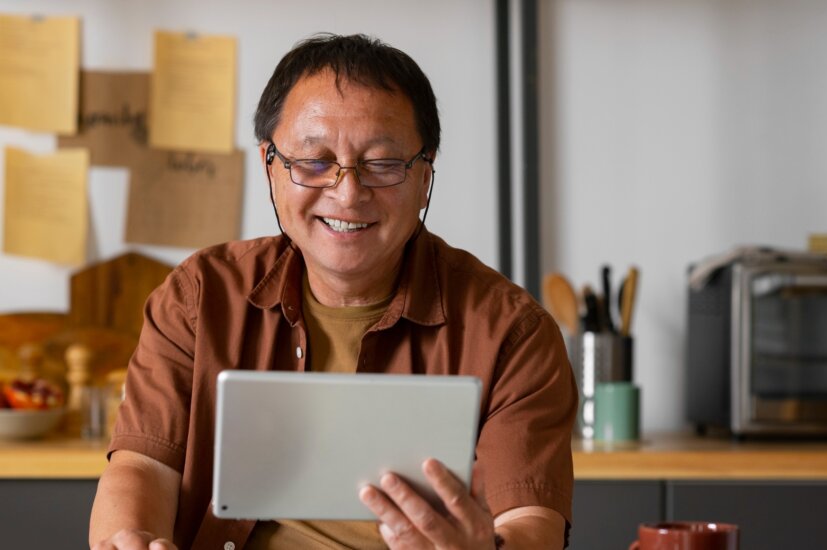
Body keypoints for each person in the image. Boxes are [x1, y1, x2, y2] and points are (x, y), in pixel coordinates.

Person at [89, 33, 576, 550]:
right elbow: (142, 465)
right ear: (269, 166)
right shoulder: (199, 296)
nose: (347, 192)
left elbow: (530, 523)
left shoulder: (511, 333)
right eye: (314, 162)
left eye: (383, 164)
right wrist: (132, 539)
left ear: (425, 172)